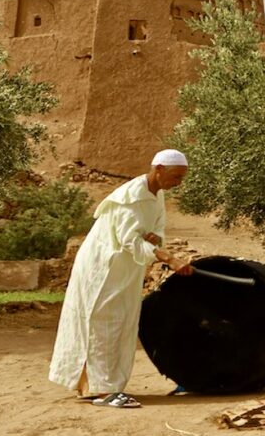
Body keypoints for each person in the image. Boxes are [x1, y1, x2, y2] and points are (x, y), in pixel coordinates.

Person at [48, 149, 194, 409]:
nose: (178, 183)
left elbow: (156, 231)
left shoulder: (156, 196)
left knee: (120, 322)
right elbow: (129, 240)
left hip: (126, 270)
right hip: (103, 268)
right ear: (158, 168)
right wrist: (169, 259)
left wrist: (154, 239)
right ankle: (103, 390)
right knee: (104, 322)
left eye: (182, 178)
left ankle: (96, 386)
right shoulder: (130, 198)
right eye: (175, 176)